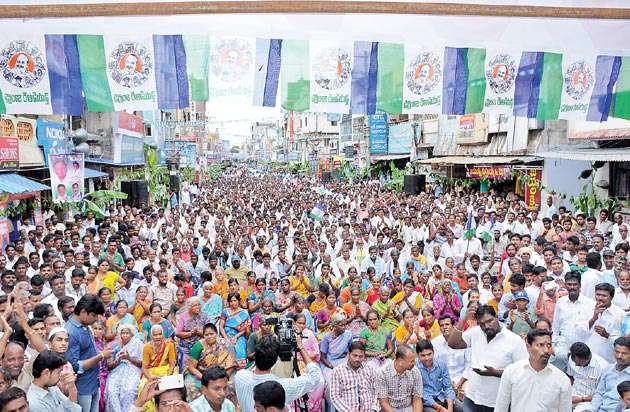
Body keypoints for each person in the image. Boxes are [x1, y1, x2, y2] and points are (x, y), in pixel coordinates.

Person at [447, 304, 528, 411]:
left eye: (489, 321)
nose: (486, 326)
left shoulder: (514, 340)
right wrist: (464, 318)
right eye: (482, 324)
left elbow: (523, 373)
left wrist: (495, 373)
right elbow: (453, 343)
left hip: (497, 403)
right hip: (472, 397)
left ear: (496, 318)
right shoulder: (476, 332)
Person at [234, 335, 323, 412]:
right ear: (276, 360)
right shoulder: (282, 387)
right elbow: (315, 376)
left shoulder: (240, 376)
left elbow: (251, 369)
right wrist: (301, 347)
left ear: (255, 355)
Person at [494, 329, 572, 411]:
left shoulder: (562, 380)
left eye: (549, 345)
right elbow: (501, 407)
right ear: (528, 347)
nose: (546, 350)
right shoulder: (512, 372)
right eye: (540, 345)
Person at [65, 294, 113, 412]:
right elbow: (75, 366)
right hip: (83, 387)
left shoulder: (85, 325)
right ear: (83, 312)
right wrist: (101, 356)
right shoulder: (72, 332)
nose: (96, 318)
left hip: (93, 382)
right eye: (94, 315)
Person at [185, 322, 236, 401]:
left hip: (222, 374)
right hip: (203, 374)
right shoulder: (198, 345)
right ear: (203, 335)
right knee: (189, 385)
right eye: (206, 335)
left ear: (216, 333)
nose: (209, 337)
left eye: (212, 334)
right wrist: (204, 379)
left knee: (232, 384)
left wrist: (221, 379)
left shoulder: (226, 344)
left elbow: (231, 366)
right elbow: (191, 367)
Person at [104, 323, 143, 412]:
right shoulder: (114, 345)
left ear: (132, 334)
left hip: (132, 370)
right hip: (116, 372)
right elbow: (109, 366)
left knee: (129, 391)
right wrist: (118, 360)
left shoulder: (138, 344)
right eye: (123, 333)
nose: (124, 335)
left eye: (127, 333)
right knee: (111, 391)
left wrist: (129, 358)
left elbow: (142, 363)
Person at [329, 340, 377, 412]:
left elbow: (377, 391)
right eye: (354, 355)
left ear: (364, 357)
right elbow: (335, 396)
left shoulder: (370, 370)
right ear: (348, 354)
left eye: (361, 356)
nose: (357, 359)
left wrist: (374, 409)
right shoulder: (338, 371)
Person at [415, 339, 463, 412]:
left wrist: (450, 408)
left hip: (442, 397)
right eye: (423, 355)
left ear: (433, 353)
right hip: (427, 403)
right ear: (418, 355)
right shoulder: (415, 368)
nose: (427, 358)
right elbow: (421, 393)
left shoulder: (441, 364)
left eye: (429, 354)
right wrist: (440, 408)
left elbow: (448, 387)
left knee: (462, 408)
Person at [375, 343, 423, 411]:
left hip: (408, 408)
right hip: (390, 409)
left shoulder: (415, 371)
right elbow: (383, 402)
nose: (414, 363)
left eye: (414, 360)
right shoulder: (382, 373)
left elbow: (417, 398)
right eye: (411, 361)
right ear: (400, 361)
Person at [590, 337, 630, 412]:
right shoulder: (608, 370)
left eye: (624, 353)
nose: (619, 356)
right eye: (617, 352)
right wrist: (592, 410)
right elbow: (599, 393)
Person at [566, 342, 609, 411]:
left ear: (588, 358)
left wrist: (581, 399)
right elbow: (570, 376)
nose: (576, 365)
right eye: (574, 362)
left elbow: (603, 395)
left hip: (589, 401)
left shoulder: (602, 368)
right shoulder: (572, 358)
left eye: (579, 363)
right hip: (572, 394)